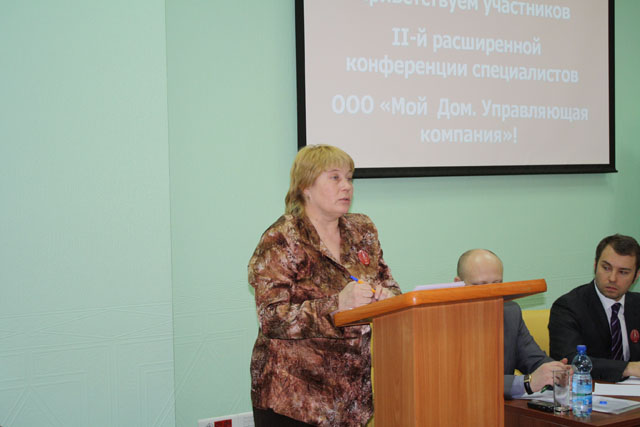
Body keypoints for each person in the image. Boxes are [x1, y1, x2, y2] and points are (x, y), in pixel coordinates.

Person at [248, 145, 402, 426]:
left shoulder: (362, 230)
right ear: (306, 186)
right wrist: (337, 305)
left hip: (350, 398)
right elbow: (271, 317)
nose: (346, 186)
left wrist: (386, 297)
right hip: (294, 398)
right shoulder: (282, 238)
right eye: (334, 177)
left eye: (349, 178)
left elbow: (389, 285)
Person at [455, 249, 569, 399]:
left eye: (497, 284)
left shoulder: (510, 312)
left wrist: (557, 371)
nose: (492, 292)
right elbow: (468, 381)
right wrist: (527, 382)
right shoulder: (444, 324)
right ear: (458, 284)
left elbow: (534, 360)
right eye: (480, 285)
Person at [549, 234, 640, 382]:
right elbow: (569, 360)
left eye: (623, 272)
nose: (612, 278)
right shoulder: (568, 307)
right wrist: (628, 368)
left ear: (636, 276)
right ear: (595, 265)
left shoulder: (637, 304)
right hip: (587, 390)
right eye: (606, 268)